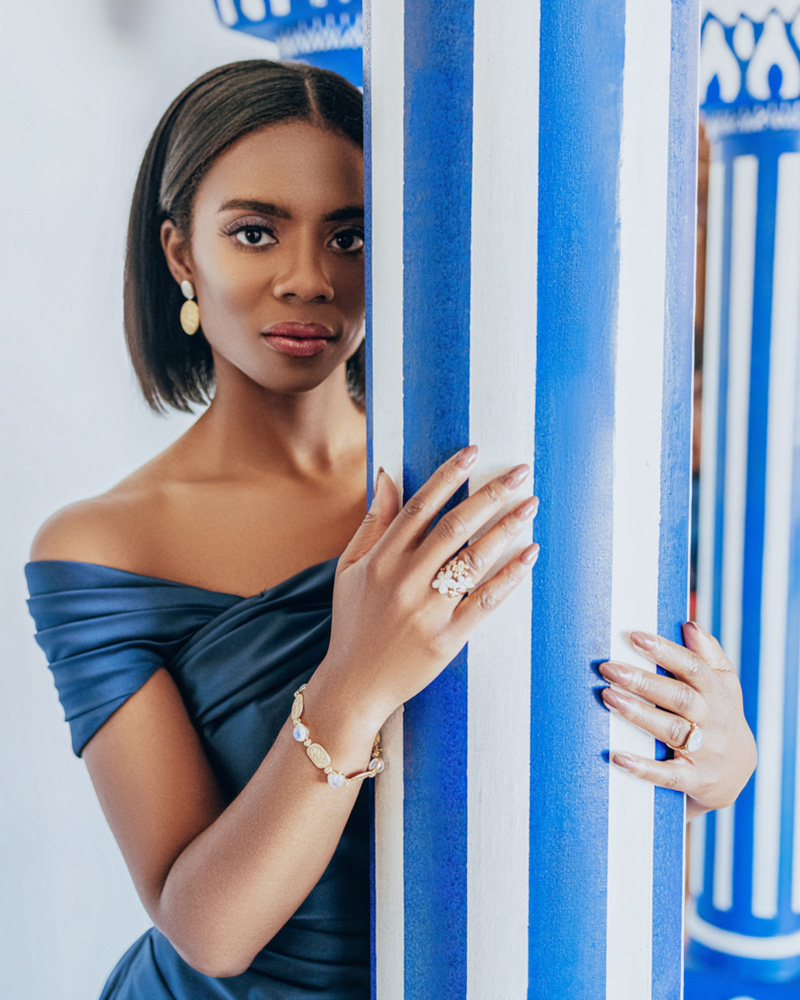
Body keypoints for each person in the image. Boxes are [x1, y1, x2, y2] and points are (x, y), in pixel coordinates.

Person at [24, 59, 756, 999]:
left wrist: (717, 763)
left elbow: (554, 768)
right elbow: (207, 929)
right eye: (255, 233)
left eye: (351, 236)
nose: (308, 280)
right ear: (180, 254)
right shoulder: (101, 548)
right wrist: (355, 681)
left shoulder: (476, 476)